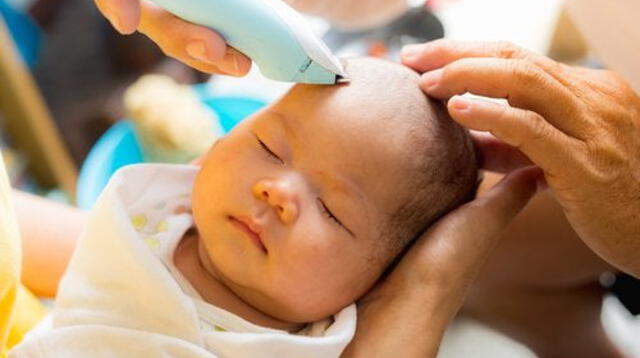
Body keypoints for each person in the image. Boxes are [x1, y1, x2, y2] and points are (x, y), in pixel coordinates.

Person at [9, 58, 490, 357]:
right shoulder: (151, 209)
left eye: (332, 212)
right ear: (219, 143)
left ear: (380, 279)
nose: (277, 190)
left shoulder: (318, 346)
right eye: (269, 147)